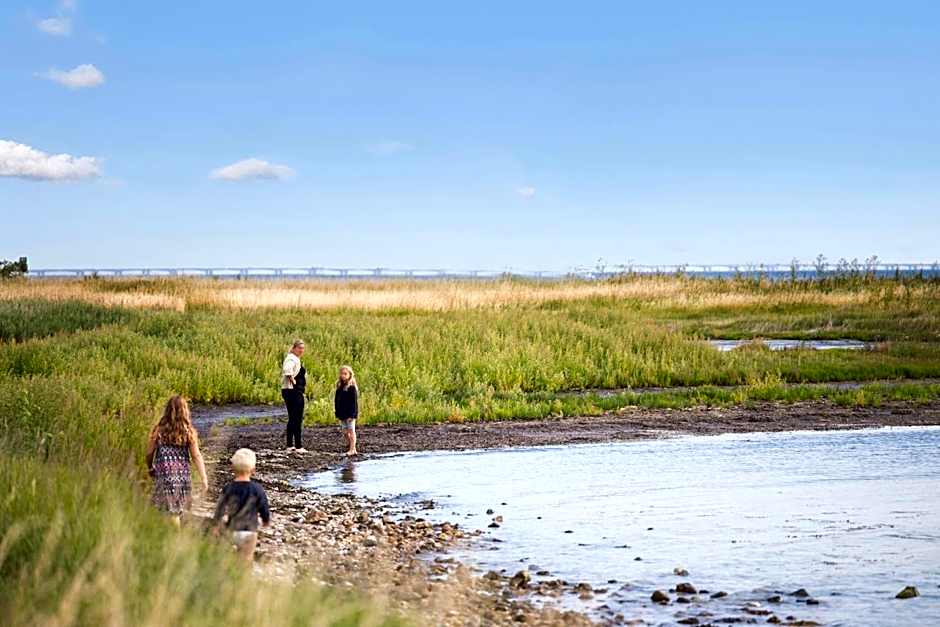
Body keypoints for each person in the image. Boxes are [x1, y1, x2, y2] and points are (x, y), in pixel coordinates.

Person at [147, 395, 209, 528]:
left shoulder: (159, 430)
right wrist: (204, 478)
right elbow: (196, 456)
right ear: (185, 411)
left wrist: (150, 467)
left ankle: (170, 540)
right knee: (176, 511)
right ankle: (173, 539)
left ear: (167, 410)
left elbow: (149, 452)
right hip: (182, 477)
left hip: (164, 476)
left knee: (165, 510)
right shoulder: (188, 432)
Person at [213, 448, 271, 564]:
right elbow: (264, 507)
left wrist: (216, 525)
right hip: (249, 531)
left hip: (232, 529)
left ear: (232, 468)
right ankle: (243, 576)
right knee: (246, 559)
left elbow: (220, 508)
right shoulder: (257, 489)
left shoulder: (228, 488)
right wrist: (266, 520)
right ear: (253, 470)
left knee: (226, 558)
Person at [281, 339, 307, 452]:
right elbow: (287, 369)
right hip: (293, 392)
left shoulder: (292, 358)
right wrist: (292, 379)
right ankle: (298, 446)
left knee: (293, 418)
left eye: (303, 348)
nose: (301, 350)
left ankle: (290, 445)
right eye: (299, 348)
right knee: (296, 418)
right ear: (294, 348)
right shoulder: (292, 358)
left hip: (291, 391)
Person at [334, 365, 359, 456]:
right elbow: (336, 400)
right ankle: (351, 445)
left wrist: (352, 415)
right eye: (342, 374)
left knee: (351, 431)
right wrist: (337, 411)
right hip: (342, 413)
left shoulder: (351, 387)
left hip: (350, 414)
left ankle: (352, 449)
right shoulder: (339, 386)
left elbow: (354, 403)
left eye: (345, 374)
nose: (343, 376)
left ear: (350, 375)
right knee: (344, 431)